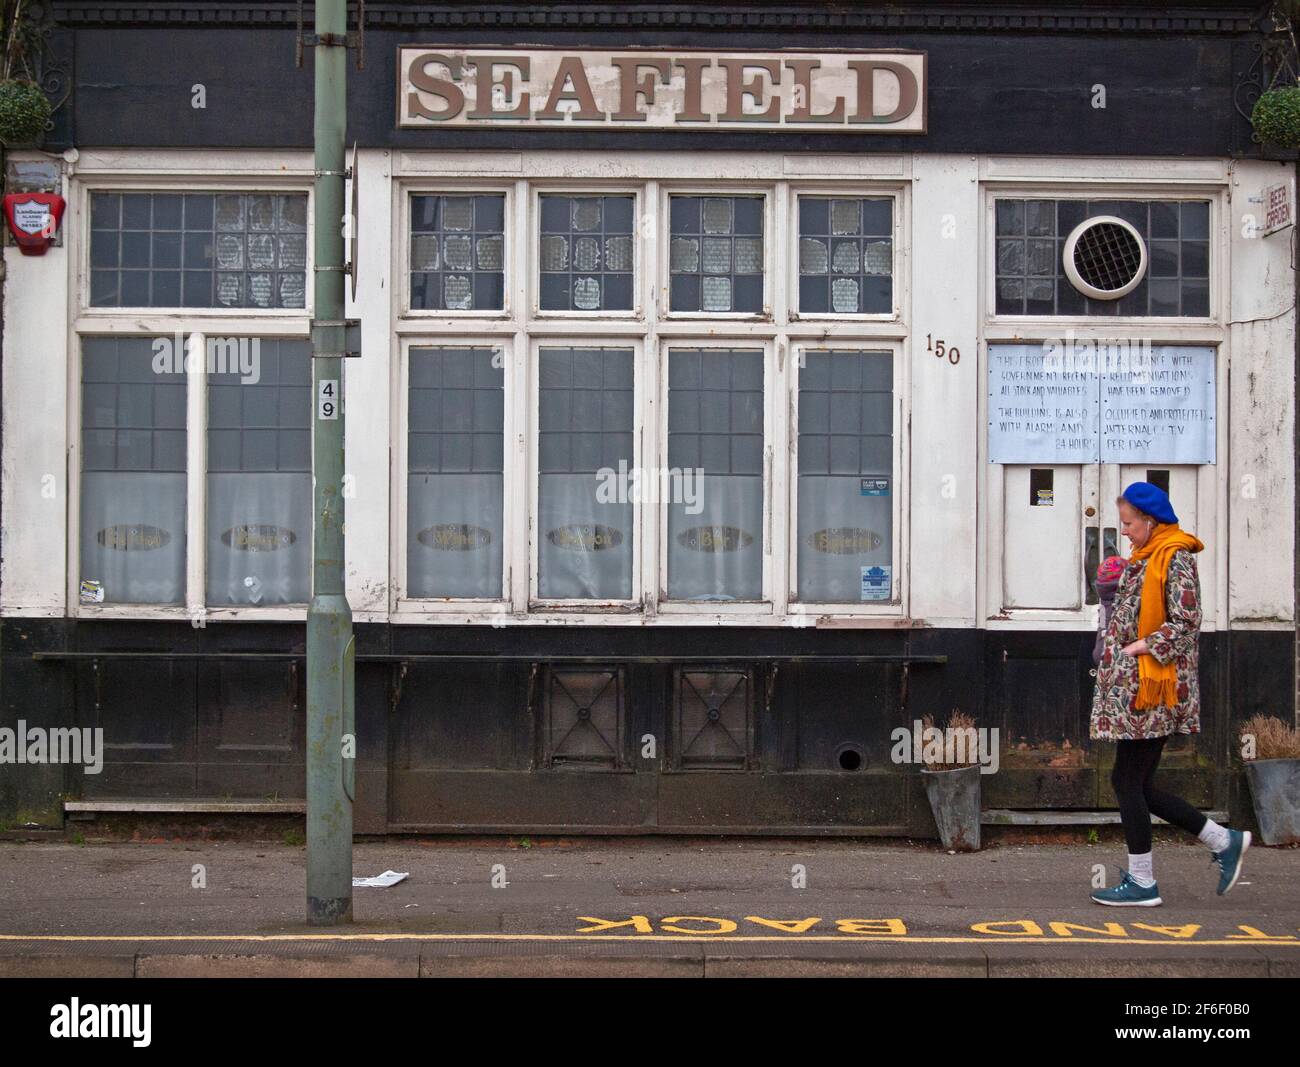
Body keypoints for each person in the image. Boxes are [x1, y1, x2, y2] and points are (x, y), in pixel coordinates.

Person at [1088, 482, 1249, 906]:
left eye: (1128, 523)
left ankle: (1144, 882)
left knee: (1127, 780)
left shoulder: (1174, 555)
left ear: (1150, 521)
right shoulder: (1144, 557)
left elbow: (1186, 620)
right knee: (1135, 781)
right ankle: (1221, 841)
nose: (1123, 532)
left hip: (1154, 689)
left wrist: (1138, 647)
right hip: (1136, 688)